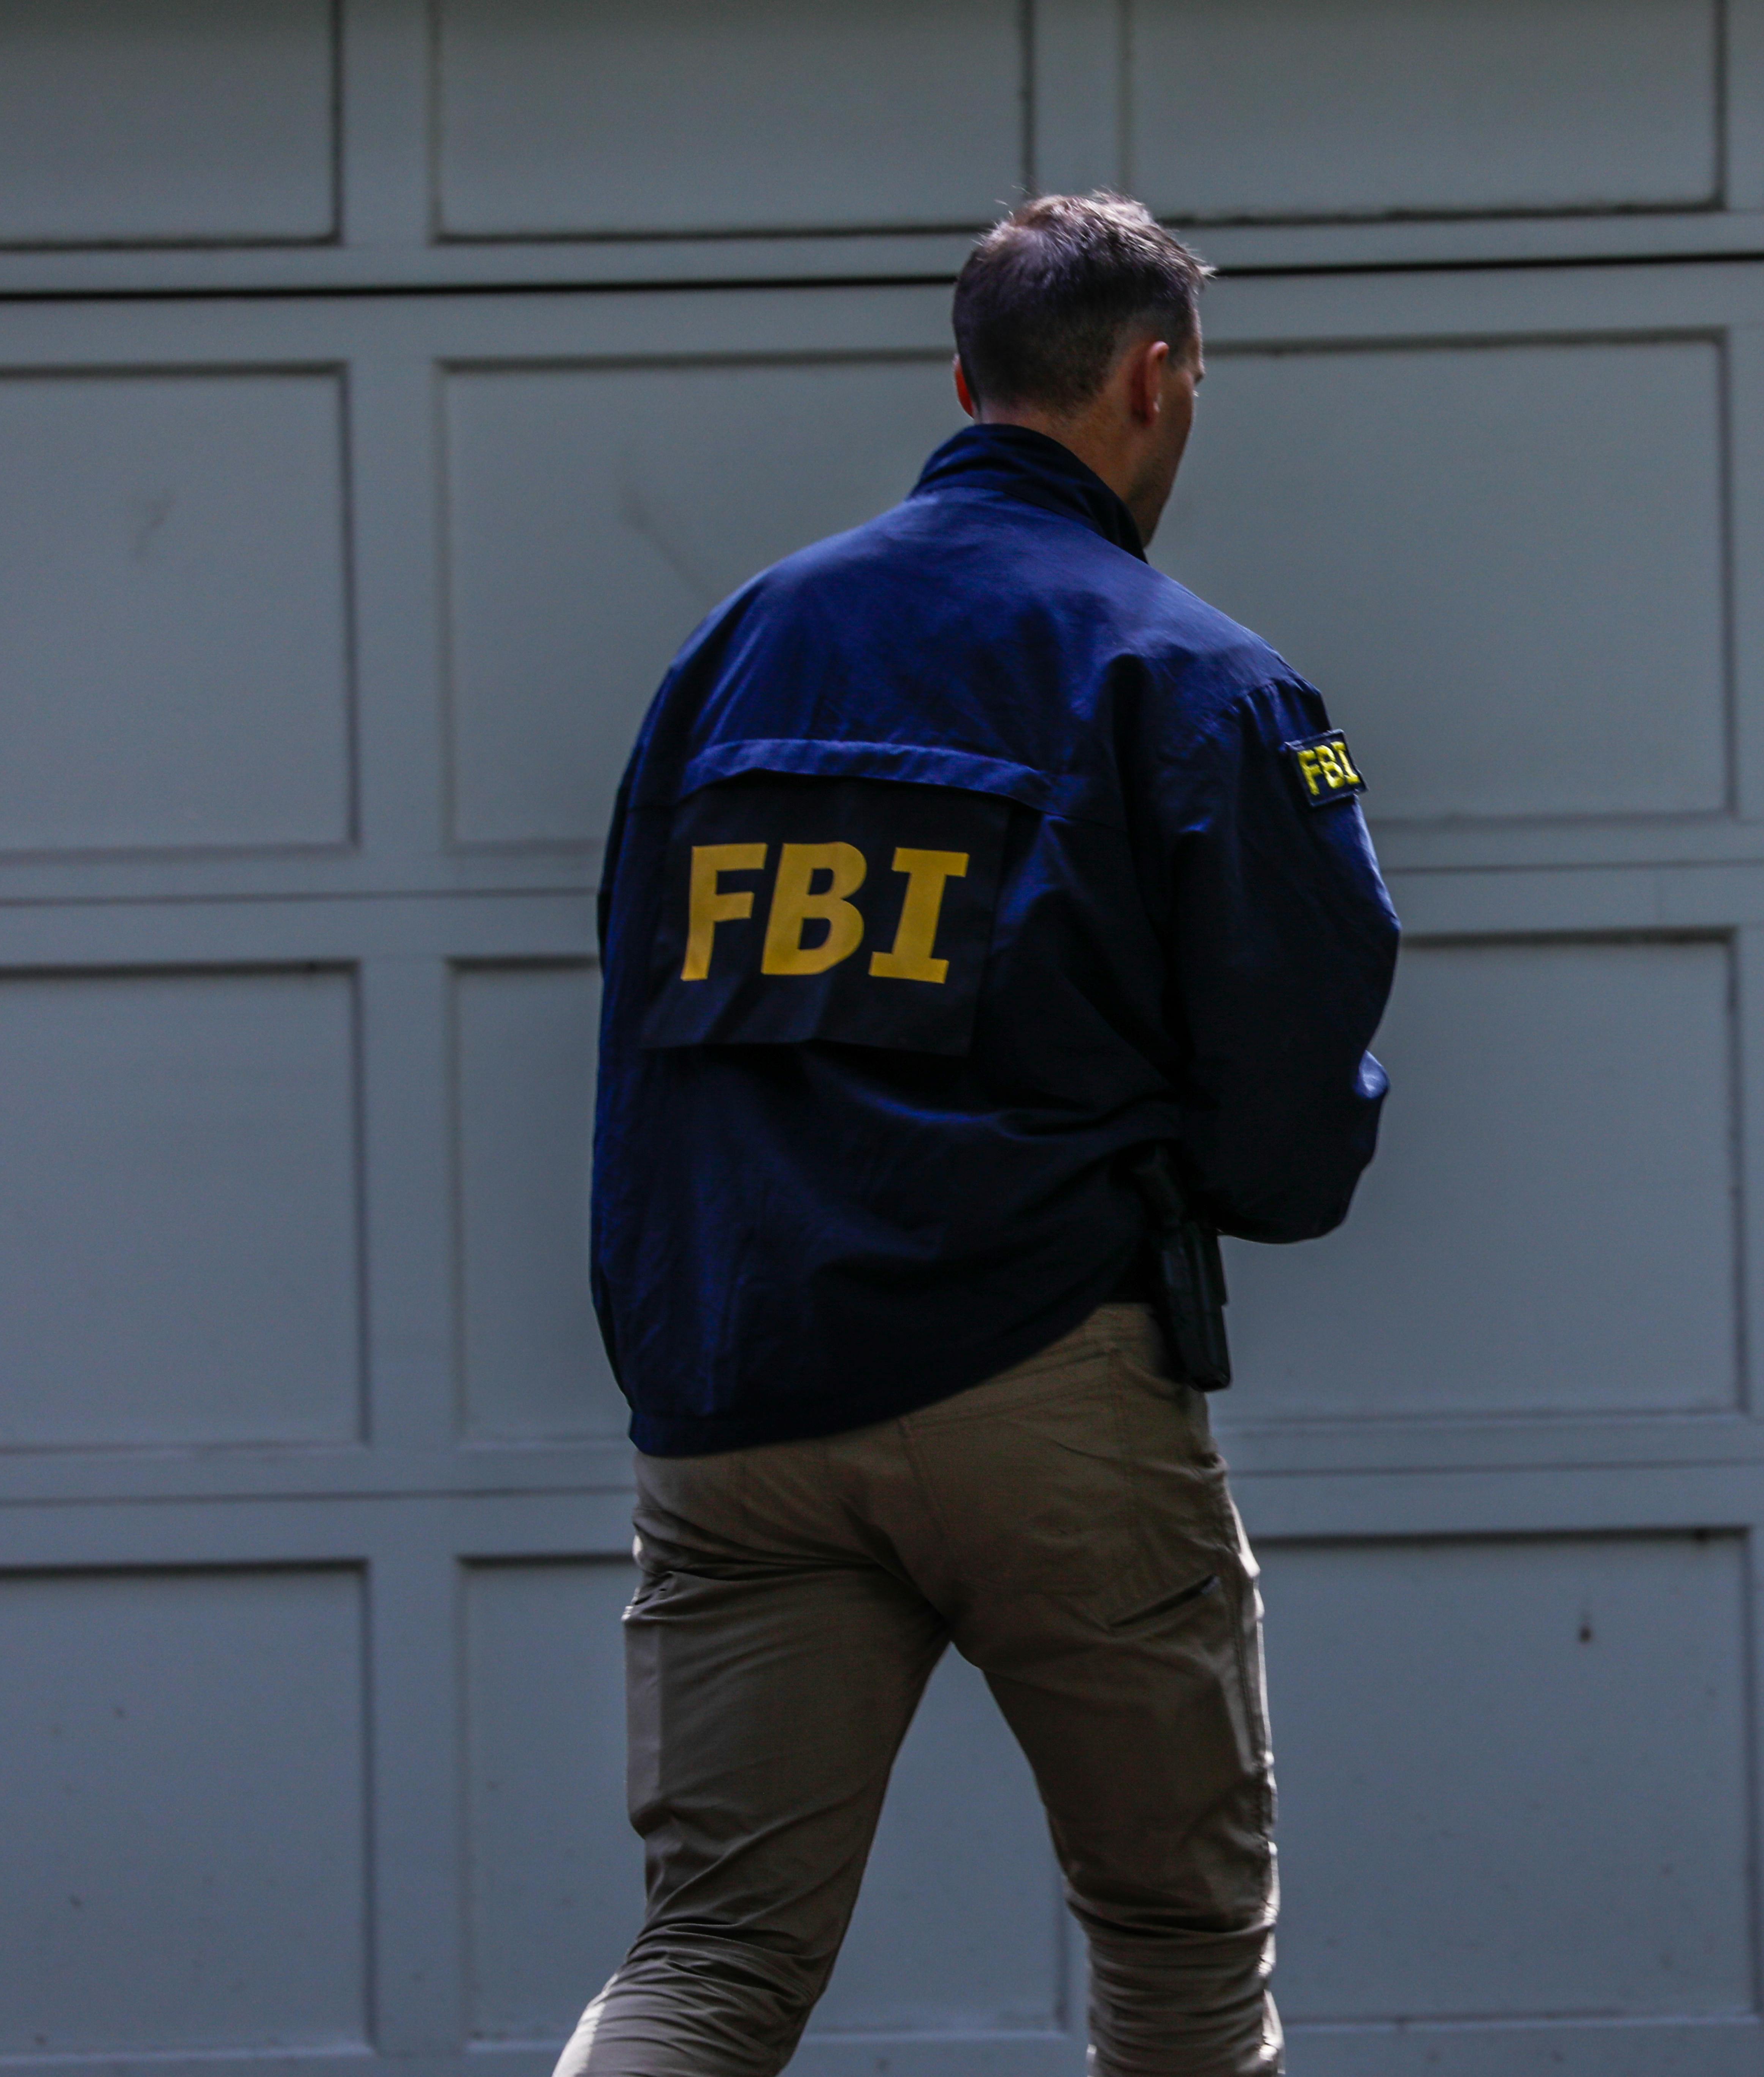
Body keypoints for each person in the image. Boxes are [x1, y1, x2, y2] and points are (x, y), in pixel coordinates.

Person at [570, 191, 1399, 2077]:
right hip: (1043, 1387)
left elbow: (637, 1017)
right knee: (1179, 1950)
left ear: (960, 380)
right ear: (1156, 380)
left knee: (704, 1964)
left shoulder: (731, 653)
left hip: (740, 1390)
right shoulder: (1214, 683)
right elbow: (1290, 1102)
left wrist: (675, 1339)